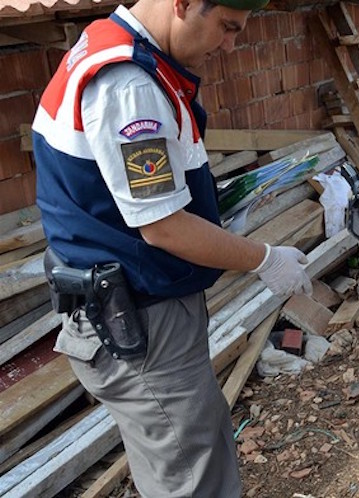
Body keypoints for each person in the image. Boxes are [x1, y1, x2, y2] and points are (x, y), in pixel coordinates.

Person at [31, 0, 311, 495]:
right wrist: (264, 259)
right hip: (142, 321)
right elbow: (164, 228)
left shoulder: (114, 44)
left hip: (131, 309)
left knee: (182, 460)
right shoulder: (128, 85)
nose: (230, 45)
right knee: (192, 477)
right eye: (226, 27)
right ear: (182, 3)